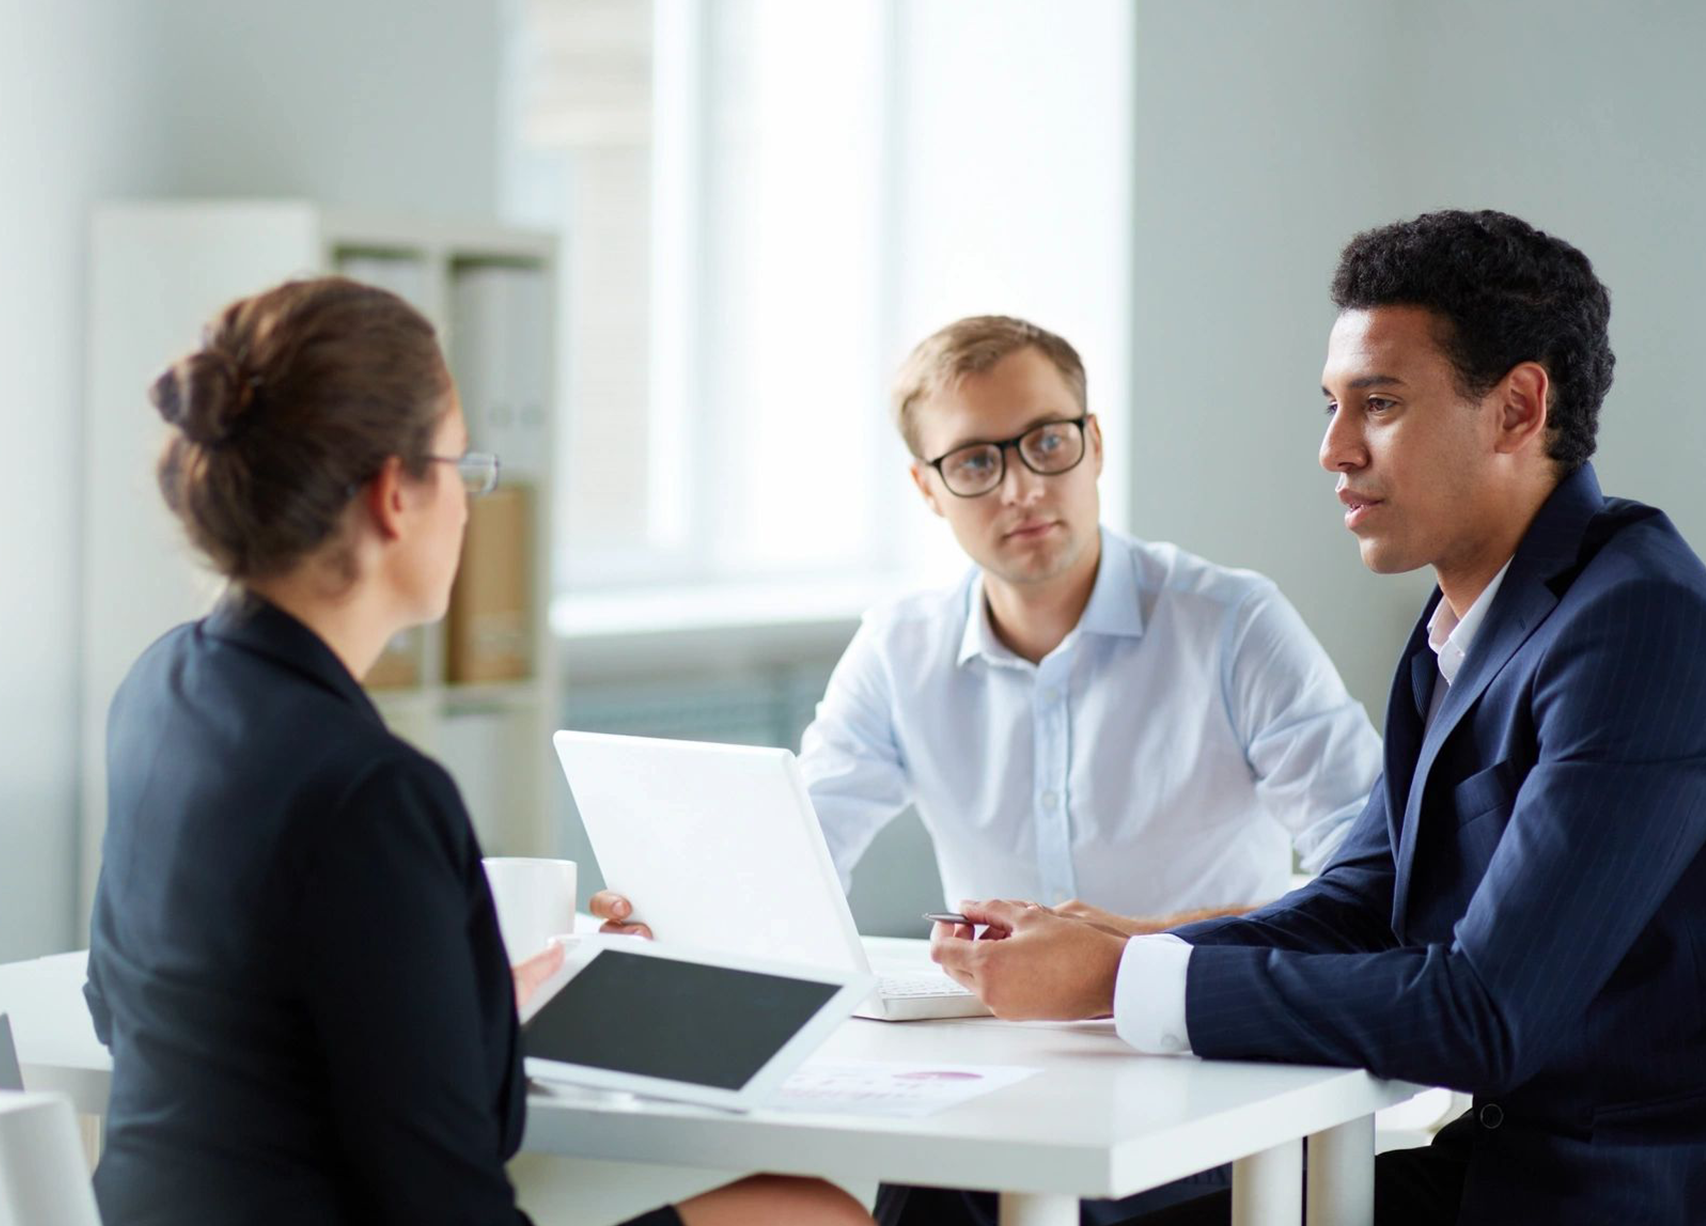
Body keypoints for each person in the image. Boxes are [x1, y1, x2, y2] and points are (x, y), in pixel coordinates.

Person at [932, 211, 1706, 1225]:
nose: (1331, 449)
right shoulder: (1463, 616)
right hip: (1490, 1166)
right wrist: (1109, 954)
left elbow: (1487, 1012)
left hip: (1600, 1196)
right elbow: (1356, 903)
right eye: (1331, 405)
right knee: (974, 1192)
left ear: (1517, 406)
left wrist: (1123, 973)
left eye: (1375, 404)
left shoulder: (1637, 623)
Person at [84, 278, 870, 1226]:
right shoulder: (372, 791)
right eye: (461, 467)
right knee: (812, 1212)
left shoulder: (162, 689)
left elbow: (133, 1009)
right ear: (394, 496)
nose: (470, 503)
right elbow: (450, 1201)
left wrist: (455, 1007)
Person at [797, 315, 1381, 932]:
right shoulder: (896, 652)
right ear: (928, 489)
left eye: (1047, 442)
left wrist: (1122, 953)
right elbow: (797, 857)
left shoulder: (1233, 624)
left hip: (1207, 1017)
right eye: (973, 463)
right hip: (992, 1027)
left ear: (1094, 444)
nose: (1021, 490)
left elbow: (1376, 874)